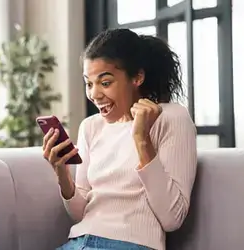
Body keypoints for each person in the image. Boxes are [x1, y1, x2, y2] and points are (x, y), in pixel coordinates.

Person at [42, 28, 197, 250]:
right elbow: (80, 213)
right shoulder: (90, 127)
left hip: (132, 244)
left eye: (105, 83)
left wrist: (142, 139)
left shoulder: (171, 117)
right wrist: (62, 174)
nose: (94, 94)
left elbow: (173, 217)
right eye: (89, 83)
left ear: (137, 77)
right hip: (78, 243)